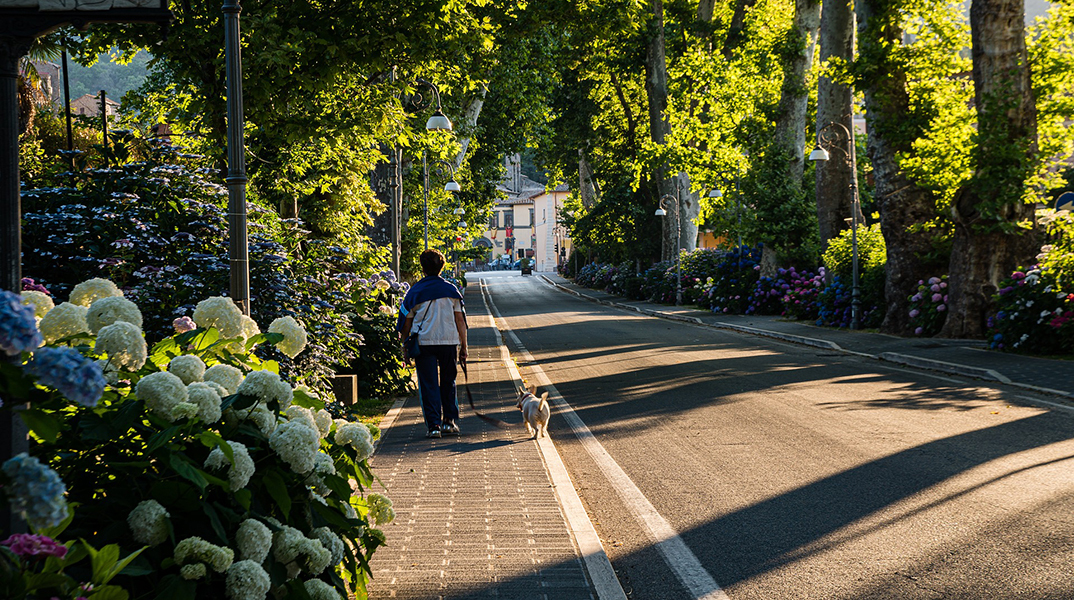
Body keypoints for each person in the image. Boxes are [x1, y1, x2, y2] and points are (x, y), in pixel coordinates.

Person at [398, 249, 468, 439]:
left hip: (424, 343)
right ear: (441, 267)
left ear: (422, 268)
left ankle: (434, 425)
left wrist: (405, 346)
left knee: (428, 385)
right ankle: (449, 422)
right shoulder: (452, 291)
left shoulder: (415, 292)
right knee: (448, 382)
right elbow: (460, 320)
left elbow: (406, 323)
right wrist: (464, 346)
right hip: (449, 341)